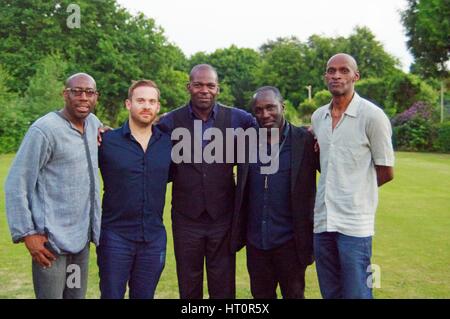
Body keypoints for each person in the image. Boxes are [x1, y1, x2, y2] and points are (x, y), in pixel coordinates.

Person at [158, 64, 255, 299]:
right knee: (188, 282)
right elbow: (141, 133)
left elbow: (271, 124)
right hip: (185, 217)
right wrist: (104, 130)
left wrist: (307, 132)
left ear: (218, 89)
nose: (205, 90)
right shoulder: (169, 121)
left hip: (222, 217)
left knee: (223, 284)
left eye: (210, 85)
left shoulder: (237, 119)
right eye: (199, 85)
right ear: (188, 87)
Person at [5, 73, 102, 299]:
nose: (83, 97)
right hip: (51, 245)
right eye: (76, 91)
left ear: (96, 97)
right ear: (65, 94)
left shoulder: (93, 125)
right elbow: (16, 183)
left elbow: (104, 133)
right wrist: (28, 233)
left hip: (80, 243)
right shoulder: (44, 130)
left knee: (75, 296)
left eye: (89, 92)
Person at [311, 53, 395, 299]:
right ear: (326, 76)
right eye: (331, 70)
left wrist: (356, 190)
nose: (337, 75)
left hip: (355, 225)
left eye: (344, 70)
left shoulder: (373, 116)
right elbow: (325, 161)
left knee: (358, 292)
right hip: (323, 221)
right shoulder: (319, 117)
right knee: (331, 292)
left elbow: (387, 171)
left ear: (355, 76)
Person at [230, 86, 318, 299]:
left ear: (282, 107)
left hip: (291, 242)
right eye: (258, 110)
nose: (265, 114)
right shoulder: (244, 143)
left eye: (270, 108)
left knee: (294, 295)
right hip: (256, 242)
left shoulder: (305, 141)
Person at [96, 80, 171, 299]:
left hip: (154, 237)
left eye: (152, 101)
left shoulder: (168, 144)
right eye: (140, 100)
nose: (146, 106)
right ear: (128, 104)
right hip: (115, 236)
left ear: (158, 107)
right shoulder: (106, 141)